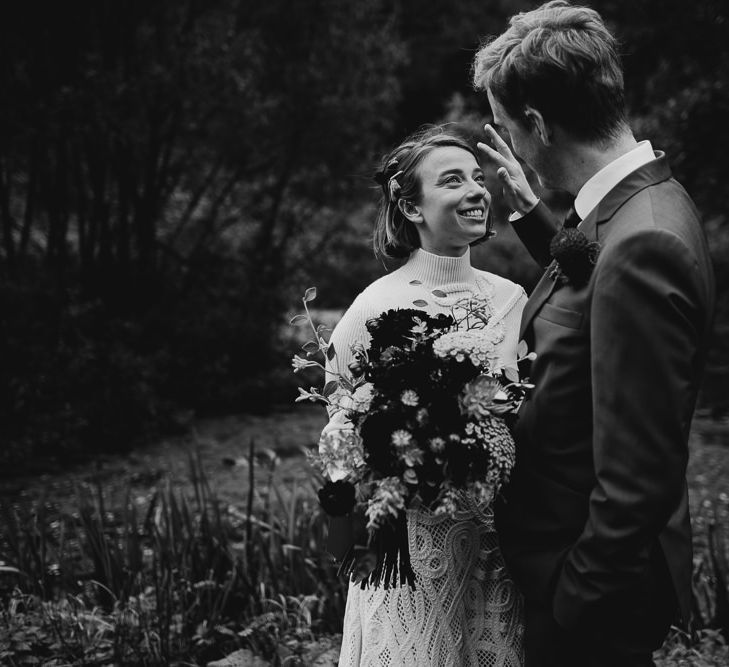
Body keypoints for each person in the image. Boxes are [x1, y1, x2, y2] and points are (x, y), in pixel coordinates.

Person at [472, 2, 716, 666]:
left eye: (506, 129)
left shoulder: (642, 244)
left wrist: (569, 601)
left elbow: (637, 478)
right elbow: (586, 289)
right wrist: (532, 218)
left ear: (537, 124)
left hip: (591, 607)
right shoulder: (640, 199)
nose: (510, 144)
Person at [326, 127, 528, 666]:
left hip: (496, 544)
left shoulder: (512, 300)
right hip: (409, 547)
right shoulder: (374, 305)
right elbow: (339, 429)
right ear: (412, 206)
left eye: (479, 179)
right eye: (453, 180)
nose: (477, 191)